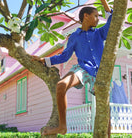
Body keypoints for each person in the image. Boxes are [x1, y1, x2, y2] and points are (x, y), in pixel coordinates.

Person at [32, 0, 112, 135]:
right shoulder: (74, 36)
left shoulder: (99, 33)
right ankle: (62, 127)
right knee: (61, 86)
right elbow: (64, 56)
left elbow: (112, 21)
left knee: (106, 113)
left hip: (99, 74)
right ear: (86, 16)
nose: (98, 19)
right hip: (82, 69)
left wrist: (104, 2)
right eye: (96, 16)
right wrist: (44, 60)